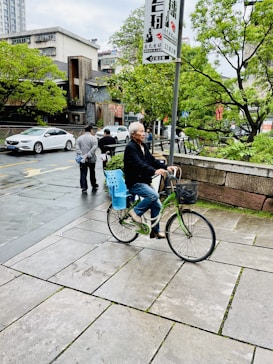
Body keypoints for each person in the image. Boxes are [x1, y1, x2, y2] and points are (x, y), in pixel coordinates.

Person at [123, 122, 176, 239]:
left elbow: (152, 160)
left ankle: (155, 231)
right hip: (135, 182)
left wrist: (166, 167)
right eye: (141, 131)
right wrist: (154, 171)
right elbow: (139, 164)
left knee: (157, 204)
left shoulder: (143, 146)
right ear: (133, 134)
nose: (144, 134)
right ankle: (135, 212)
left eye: (144, 131)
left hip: (144, 181)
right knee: (153, 196)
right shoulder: (131, 148)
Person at [75, 124, 99, 193]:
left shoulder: (79, 138)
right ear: (91, 130)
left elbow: (77, 148)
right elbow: (94, 148)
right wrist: (87, 155)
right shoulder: (94, 138)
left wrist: (82, 156)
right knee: (92, 172)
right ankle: (93, 184)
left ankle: (84, 187)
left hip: (82, 159)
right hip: (91, 159)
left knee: (83, 173)